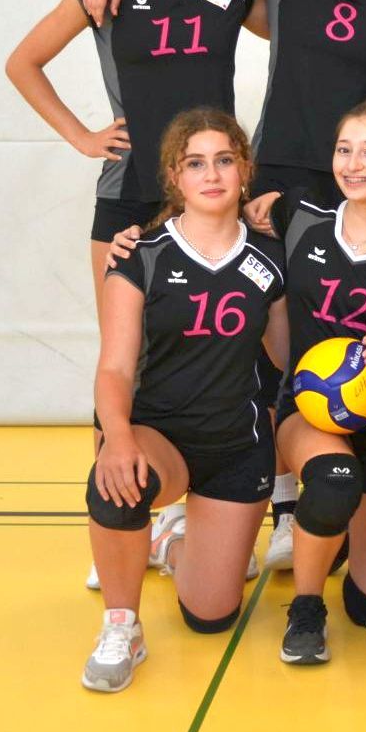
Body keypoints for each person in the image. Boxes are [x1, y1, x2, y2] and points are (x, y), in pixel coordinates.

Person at [84, 0, 366, 567]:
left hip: (355, 178)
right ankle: (255, 504)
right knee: (264, 337)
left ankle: (334, 493)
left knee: (341, 327)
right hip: (280, 177)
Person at [4, 0, 260, 591]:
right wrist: (83, 136)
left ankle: (191, 512)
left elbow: (301, 11)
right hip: (130, 194)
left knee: (224, 348)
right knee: (127, 356)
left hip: (212, 194)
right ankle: (120, 526)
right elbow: (23, 62)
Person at [106, 100, 366, 665]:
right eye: (344, 150)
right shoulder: (298, 220)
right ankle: (305, 605)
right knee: (328, 487)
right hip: (313, 411)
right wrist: (135, 238)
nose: (353, 164)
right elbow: (277, 346)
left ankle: (333, 538)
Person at [80, 109, 290, 693]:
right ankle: (122, 626)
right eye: (195, 163)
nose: (212, 174)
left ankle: (171, 545)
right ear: (174, 176)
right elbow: (114, 367)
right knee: (116, 483)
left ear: (244, 169)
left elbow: (287, 358)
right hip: (160, 436)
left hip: (237, 445)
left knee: (210, 616)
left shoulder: (271, 258)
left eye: (224, 160)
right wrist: (117, 438)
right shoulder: (140, 255)